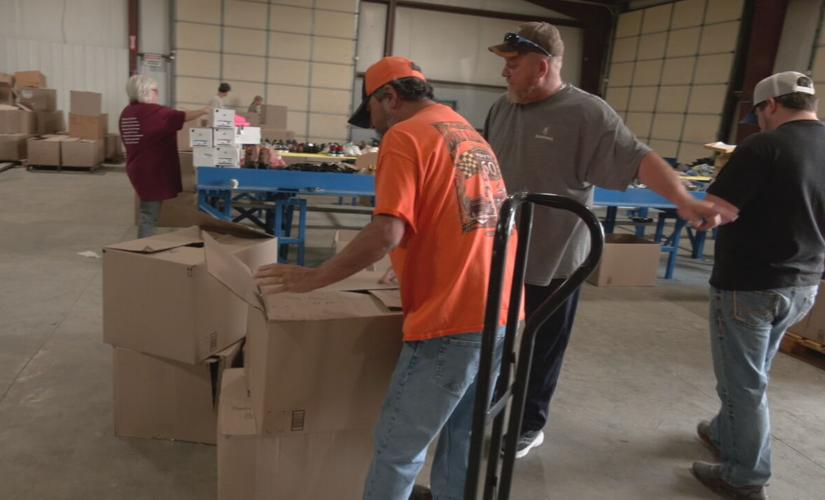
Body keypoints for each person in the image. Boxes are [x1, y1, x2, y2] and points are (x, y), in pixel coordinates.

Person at [254, 56, 517, 500]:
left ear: (389, 99)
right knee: (463, 441)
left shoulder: (405, 136)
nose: (374, 127)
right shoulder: (467, 132)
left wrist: (314, 278)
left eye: (372, 115)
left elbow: (387, 231)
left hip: (451, 320)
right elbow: (459, 219)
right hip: (503, 310)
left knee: (398, 448)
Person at [483, 22, 736, 458]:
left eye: (514, 63)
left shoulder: (587, 113)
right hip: (500, 252)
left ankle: (528, 423)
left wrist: (681, 199)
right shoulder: (502, 108)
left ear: (541, 66)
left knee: (542, 347)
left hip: (555, 257)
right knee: (491, 338)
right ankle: (485, 406)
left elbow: (638, 159)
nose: (505, 72)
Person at [690, 71, 825, 500]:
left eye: (758, 113)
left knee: (742, 384)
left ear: (770, 106)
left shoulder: (763, 146)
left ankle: (744, 476)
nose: (759, 122)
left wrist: (690, 203)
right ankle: (726, 433)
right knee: (754, 374)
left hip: (749, 287)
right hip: (803, 285)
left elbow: (717, 212)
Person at [120, 75, 208, 238]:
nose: (157, 93)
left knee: (147, 211)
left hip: (137, 168)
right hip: (151, 171)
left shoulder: (127, 112)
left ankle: (144, 247)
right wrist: (203, 111)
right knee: (149, 215)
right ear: (145, 91)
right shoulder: (153, 112)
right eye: (155, 90)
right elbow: (179, 116)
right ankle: (143, 250)